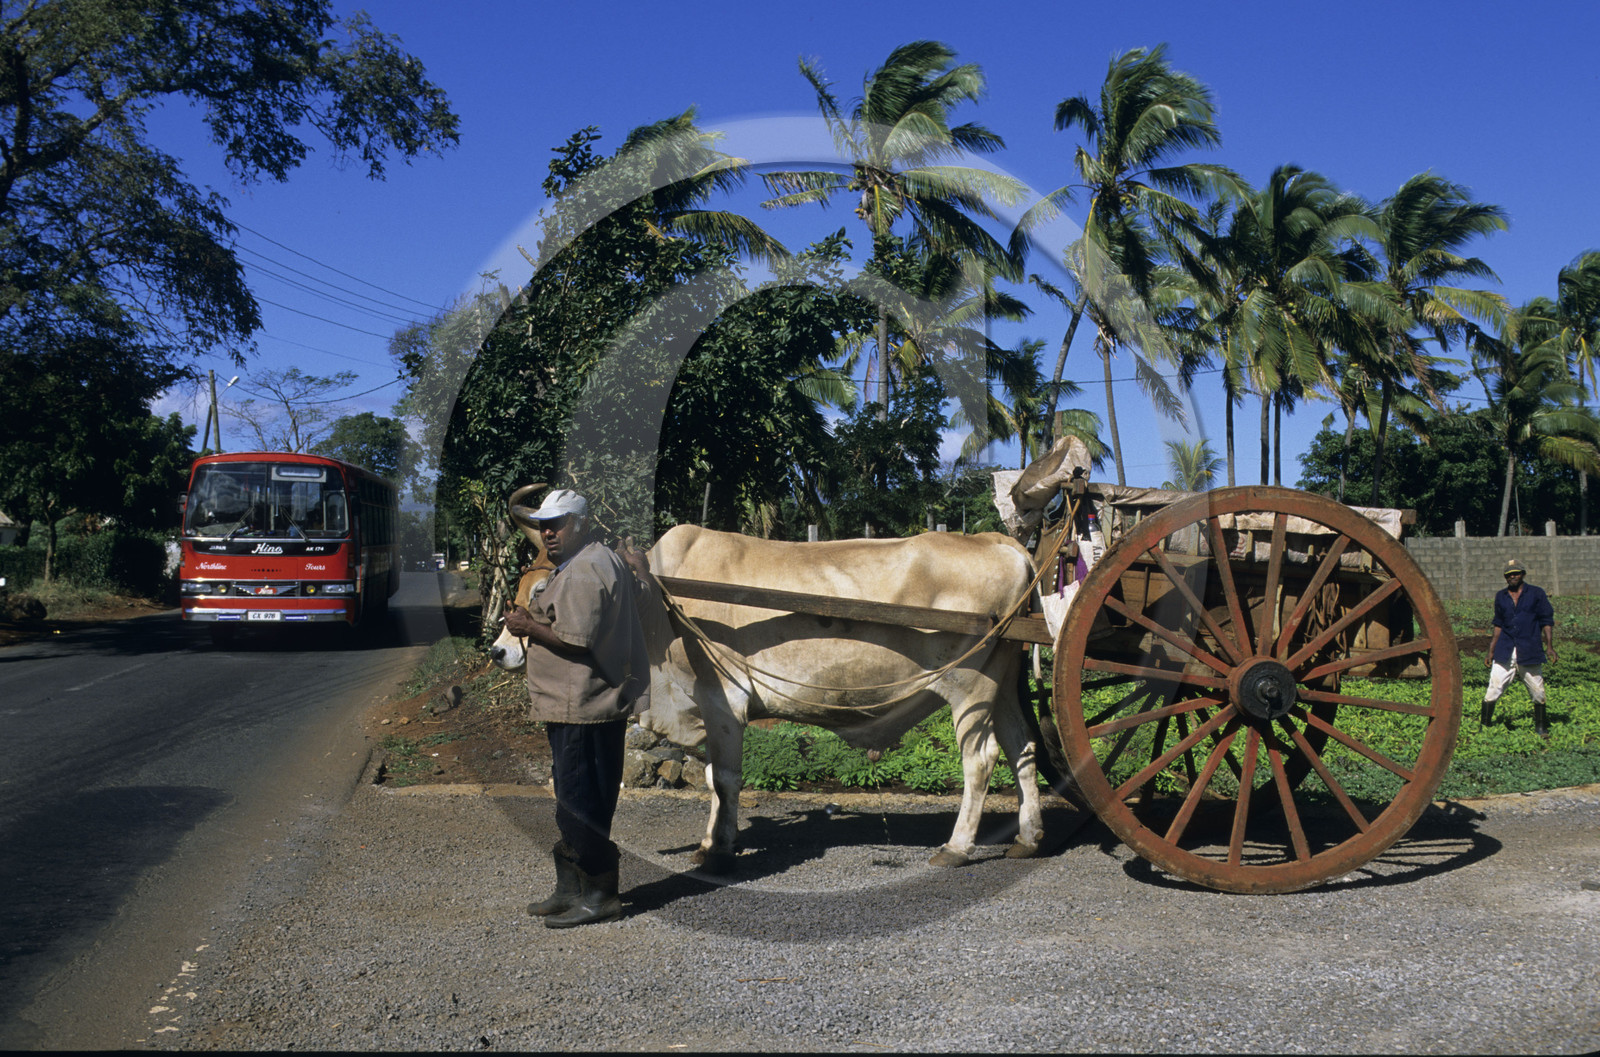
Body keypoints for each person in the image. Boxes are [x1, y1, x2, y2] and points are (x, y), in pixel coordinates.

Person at [503, 488, 650, 927]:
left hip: (582, 705)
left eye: (558, 522)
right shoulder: (593, 561)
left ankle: (601, 894)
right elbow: (636, 599)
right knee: (573, 799)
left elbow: (577, 639)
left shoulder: (586, 569)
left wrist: (526, 624)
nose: (548, 532)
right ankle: (570, 889)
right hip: (576, 705)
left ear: (580, 524)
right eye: (544, 524)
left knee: (581, 803)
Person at [1482, 557, 1556, 737]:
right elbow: (1498, 624)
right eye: (1509, 575)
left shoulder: (1536, 594)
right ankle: (1484, 726)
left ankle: (1540, 727)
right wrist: (1491, 650)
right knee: (1494, 687)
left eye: (1515, 573)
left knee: (1537, 689)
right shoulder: (1501, 596)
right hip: (1505, 649)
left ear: (1522, 574)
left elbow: (1546, 621)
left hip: (1529, 648)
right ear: (1505, 578)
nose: (1512, 577)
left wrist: (1550, 646)